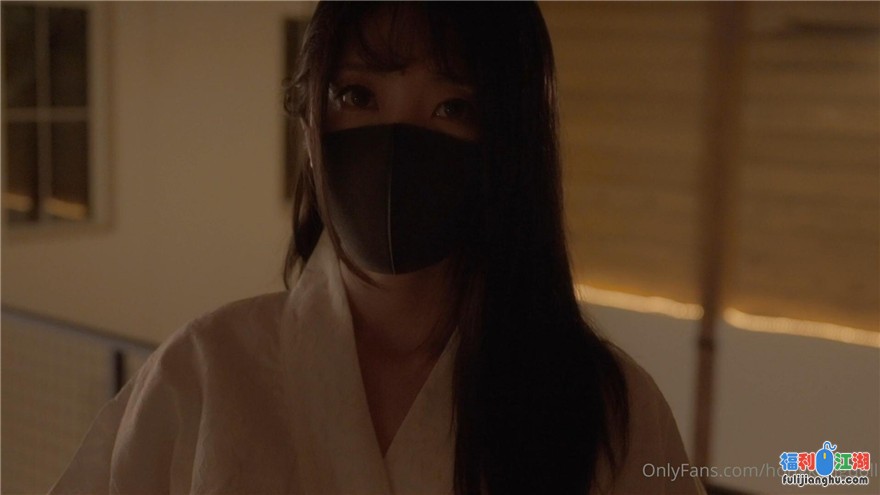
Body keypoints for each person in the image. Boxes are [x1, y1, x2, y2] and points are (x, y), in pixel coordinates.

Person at [51, 3, 706, 494]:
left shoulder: (607, 407)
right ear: (309, 120)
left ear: (510, 146)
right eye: (357, 96)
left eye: (453, 107)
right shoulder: (202, 370)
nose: (398, 144)